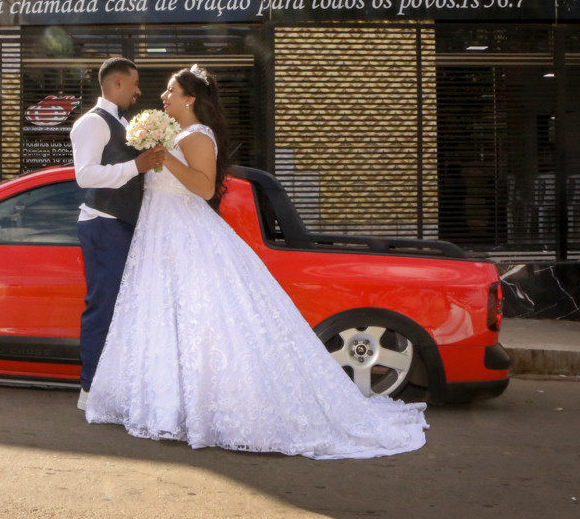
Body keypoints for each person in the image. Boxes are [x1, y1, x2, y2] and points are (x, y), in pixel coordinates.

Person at [85, 65, 428, 459]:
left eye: (171, 90)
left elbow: (203, 187)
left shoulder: (197, 135)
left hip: (185, 235)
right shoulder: (173, 133)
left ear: (190, 99)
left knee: (204, 321)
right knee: (165, 319)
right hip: (158, 236)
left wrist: (165, 157)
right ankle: (169, 406)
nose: (163, 97)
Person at [71, 57, 165, 411]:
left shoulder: (123, 122)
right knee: (103, 308)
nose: (140, 91)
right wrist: (136, 165)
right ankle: (90, 391)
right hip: (103, 224)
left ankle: (114, 387)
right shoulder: (91, 124)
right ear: (116, 84)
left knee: (122, 310)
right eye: (135, 84)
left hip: (121, 225)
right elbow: (85, 175)